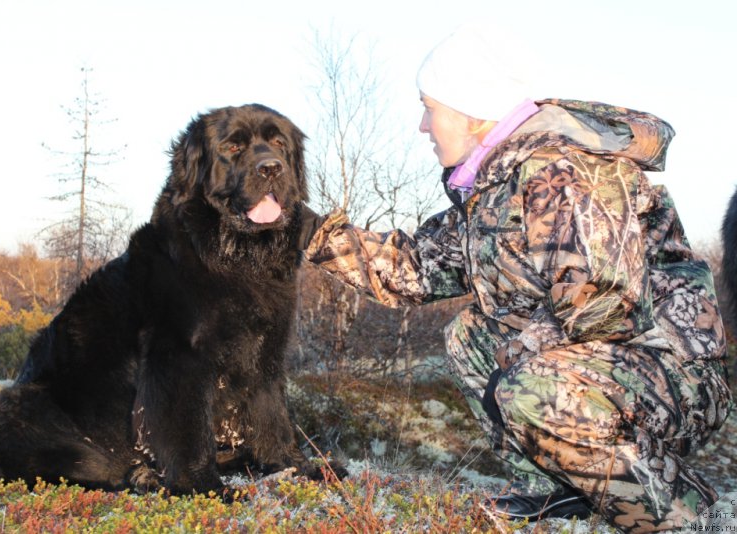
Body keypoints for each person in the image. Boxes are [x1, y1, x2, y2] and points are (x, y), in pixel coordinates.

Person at [299, 26, 732, 533]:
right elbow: (412, 271)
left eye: (429, 107)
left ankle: (691, 518)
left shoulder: (563, 170)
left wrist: (516, 363)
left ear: (474, 110)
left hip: (673, 374)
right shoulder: (494, 186)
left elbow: (604, 300)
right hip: (603, 367)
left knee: (526, 386)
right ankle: (562, 490)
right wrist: (303, 229)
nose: (422, 125)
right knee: (470, 334)